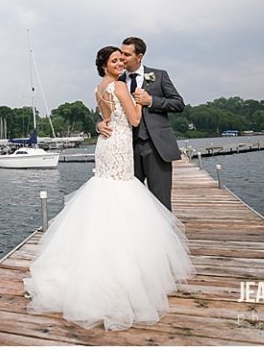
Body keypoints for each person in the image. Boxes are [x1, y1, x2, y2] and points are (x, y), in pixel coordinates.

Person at [23, 46, 194, 331]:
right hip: (120, 147)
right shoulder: (118, 85)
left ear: (137, 56)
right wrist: (139, 101)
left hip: (109, 147)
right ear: (104, 64)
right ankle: (130, 271)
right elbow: (135, 120)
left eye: (122, 58)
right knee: (123, 197)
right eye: (114, 60)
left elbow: (111, 113)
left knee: (107, 194)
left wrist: (113, 116)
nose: (120, 62)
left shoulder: (100, 87)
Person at [97, 37, 184, 211]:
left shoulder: (159, 76)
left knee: (161, 201)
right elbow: (104, 109)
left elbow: (178, 104)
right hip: (126, 149)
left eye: (126, 55)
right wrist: (99, 124)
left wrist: (151, 100)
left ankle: (163, 237)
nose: (122, 59)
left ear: (140, 56)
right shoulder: (115, 80)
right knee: (129, 202)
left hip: (156, 147)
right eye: (119, 56)